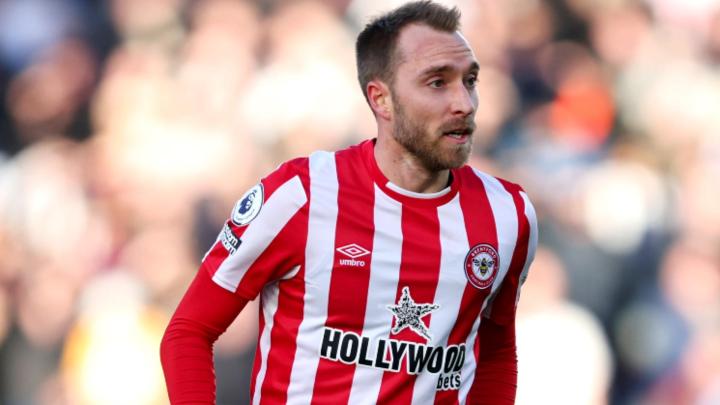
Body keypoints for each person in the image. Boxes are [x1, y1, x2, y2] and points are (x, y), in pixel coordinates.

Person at [160, 1, 538, 404]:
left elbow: (496, 354)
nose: (464, 103)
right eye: (437, 83)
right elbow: (189, 331)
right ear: (381, 99)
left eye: (470, 80)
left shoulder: (507, 214)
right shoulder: (300, 195)